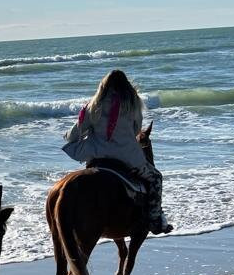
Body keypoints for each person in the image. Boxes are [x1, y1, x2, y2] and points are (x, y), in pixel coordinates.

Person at [62, 69, 172, 234]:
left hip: (97, 156)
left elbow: (73, 135)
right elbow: (136, 131)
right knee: (156, 178)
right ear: (126, 86)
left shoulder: (92, 106)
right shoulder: (133, 103)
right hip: (127, 157)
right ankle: (155, 219)